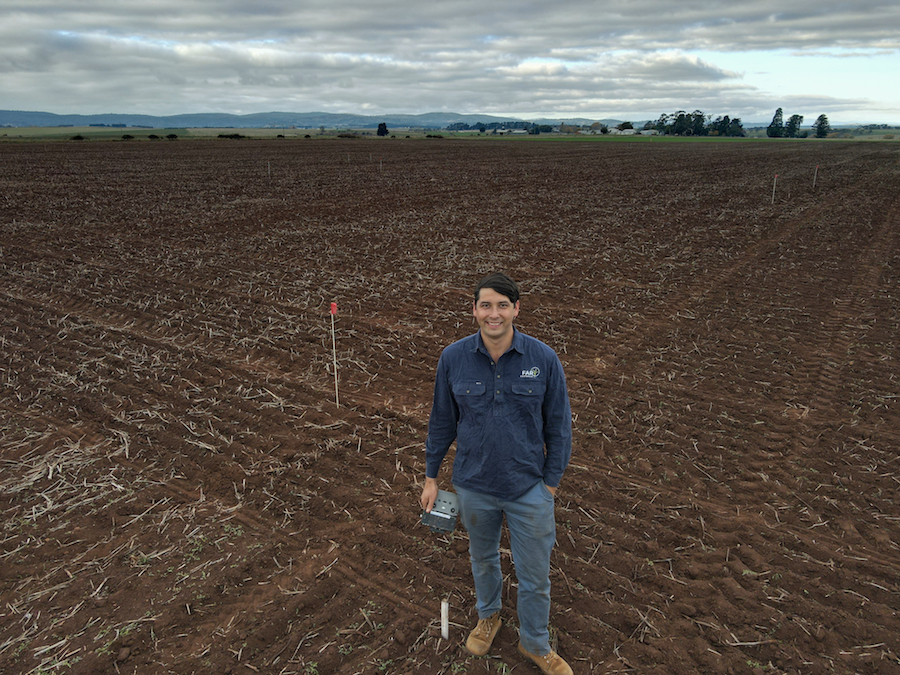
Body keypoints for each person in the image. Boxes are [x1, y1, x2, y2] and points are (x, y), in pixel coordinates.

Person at [420, 272, 573, 675]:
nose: (494, 313)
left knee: (535, 574)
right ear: (474, 310)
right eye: (485, 305)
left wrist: (550, 485)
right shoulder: (453, 358)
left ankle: (535, 643)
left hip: (528, 490)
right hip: (474, 487)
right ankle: (489, 616)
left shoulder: (542, 359)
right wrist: (431, 476)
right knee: (483, 560)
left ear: (516, 309)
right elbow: (441, 420)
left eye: (502, 305)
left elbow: (559, 428)